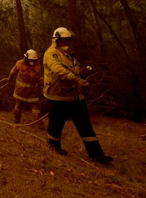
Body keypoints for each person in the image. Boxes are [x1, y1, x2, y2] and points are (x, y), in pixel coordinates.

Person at [43, 27, 113, 164]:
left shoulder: (69, 54)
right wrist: (78, 80)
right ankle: (53, 147)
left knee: (85, 124)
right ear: (57, 40)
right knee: (56, 124)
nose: (68, 42)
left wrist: (83, 70)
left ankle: (96, 154)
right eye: (65, 39)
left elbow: (74, 69)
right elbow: (59, 71)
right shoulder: (51, 53)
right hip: (57, 97)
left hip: (75, 96)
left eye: (69, 39)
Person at [7, 49, 44, 125]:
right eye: (30, 60)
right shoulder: (20, 63)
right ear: (26, 58)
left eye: (33, 60)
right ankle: (16, 122)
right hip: (20, 91)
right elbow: (13, 72)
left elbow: (40, 79)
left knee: (35, 110)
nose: (31, 62)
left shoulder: (37, 67)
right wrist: (9, 79)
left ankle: (40, 125)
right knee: (18, 107)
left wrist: (43, 88)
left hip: (32, 93)